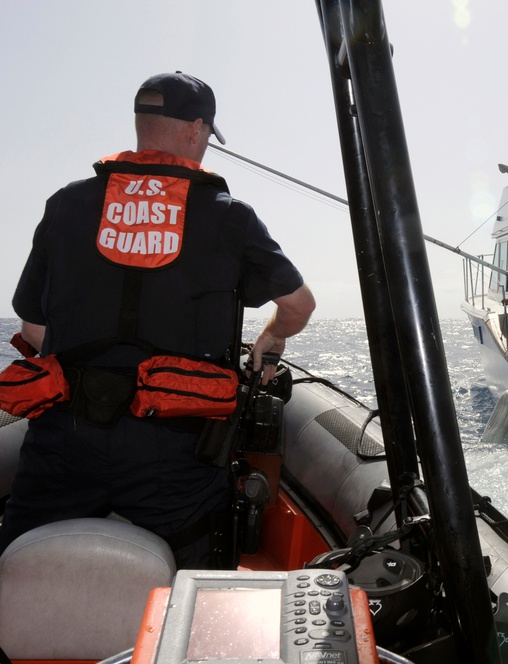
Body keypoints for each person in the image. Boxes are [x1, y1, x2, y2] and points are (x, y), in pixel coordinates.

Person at [0, 72, 316, 569]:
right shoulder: (229, 216)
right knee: (196, 580)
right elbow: (298, 304)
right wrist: (271, 337)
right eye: (209, 136)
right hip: (176, 450)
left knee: (18, 560)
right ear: (195, 128)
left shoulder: (66, 204)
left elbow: (35, 327)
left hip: (67, 437)